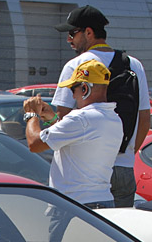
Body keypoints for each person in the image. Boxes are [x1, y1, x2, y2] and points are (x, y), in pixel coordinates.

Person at [49, 5, 151, 208]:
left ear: (89, 32)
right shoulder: (133, 64)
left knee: (75, 236)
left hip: (85, 175)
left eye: (72, 33)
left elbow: (63, 116)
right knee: (118, 236)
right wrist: (124, 152)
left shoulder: (76, 65)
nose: (69, 39)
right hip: (123, 167)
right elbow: (145, 119)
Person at [23, 59, 123, 219]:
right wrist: (51, 119)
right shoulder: (114, 118)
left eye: (72, 89)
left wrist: (31, 114)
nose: (73, 95)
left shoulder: (81, 118)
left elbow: (34, 144)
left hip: (73, 205)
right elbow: (77, 139)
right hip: (103, 202)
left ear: (84, 88)